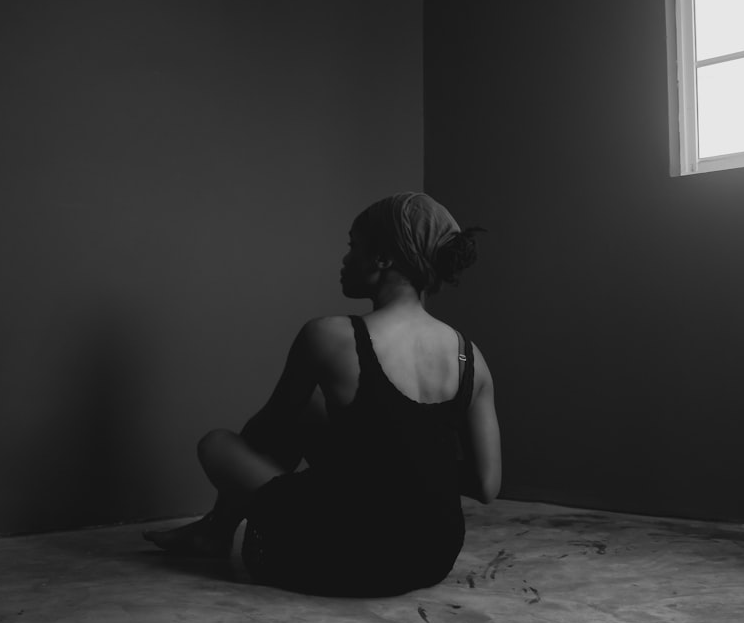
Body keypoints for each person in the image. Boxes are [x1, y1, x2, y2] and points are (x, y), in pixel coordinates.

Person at [144, 192, 501, 597]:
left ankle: (216, 529)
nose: (345, 260)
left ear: (383, 258)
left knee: (217, 444)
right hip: (430, 558)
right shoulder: (471, 358)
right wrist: (410, 460)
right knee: (316, 413)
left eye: (353, 247)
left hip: (344, 557)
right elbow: (487, 485)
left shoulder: (329, 336)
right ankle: (214, 532)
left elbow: (268, 430)